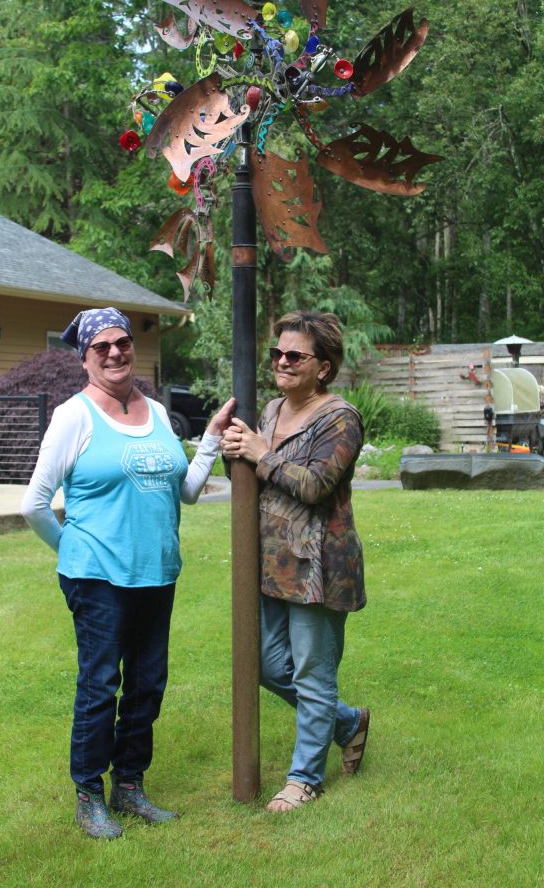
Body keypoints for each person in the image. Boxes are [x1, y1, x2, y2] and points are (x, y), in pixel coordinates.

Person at [21, 307, 234, 839]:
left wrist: (208, 440)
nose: (116, 353)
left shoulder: (158, 413)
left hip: (156, 572)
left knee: (146, 685)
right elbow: (35, 504)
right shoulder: (74, 416)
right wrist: (75, 550)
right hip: (97, 578)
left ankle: (130, 787)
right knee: (100, 685)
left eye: (122, 344)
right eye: (102, 348)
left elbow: (184, 491)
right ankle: (89, 794)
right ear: (85, 358)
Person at [222, 311, 368, 812]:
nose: (282, 362)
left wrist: (262, 453)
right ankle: (347, 723)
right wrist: (235, 450)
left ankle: (304, 778)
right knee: (263, 663)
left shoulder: (340, 418)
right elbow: (257, 472)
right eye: (277, 354)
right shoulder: (270, 410)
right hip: (269, 561)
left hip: (318, 564)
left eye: (294, 356)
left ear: (323, 367)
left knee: (311, 672)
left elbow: (315, 485)